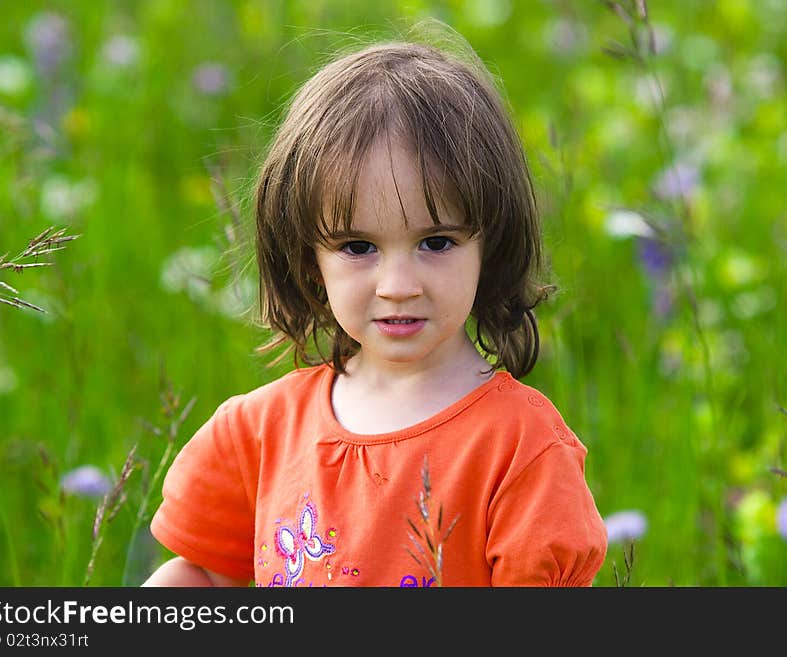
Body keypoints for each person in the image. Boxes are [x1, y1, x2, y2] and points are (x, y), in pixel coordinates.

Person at [143, 29, 607, 587]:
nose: (398, 285)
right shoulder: (260, 431)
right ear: (309, 259)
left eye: (436, 242)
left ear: (493, 242)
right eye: (358, 247)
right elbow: (201, 577)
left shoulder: (520, 447)